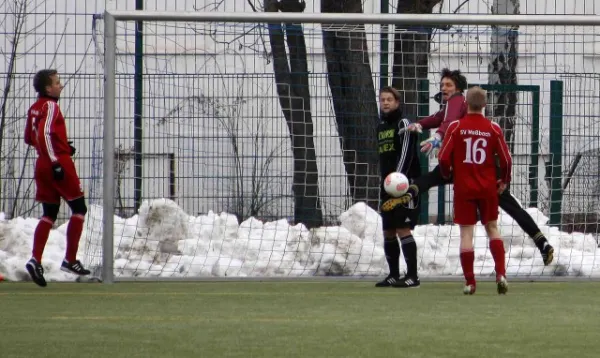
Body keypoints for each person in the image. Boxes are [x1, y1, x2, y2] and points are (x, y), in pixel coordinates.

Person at [381, 68, 555, 266]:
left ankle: (410, 191)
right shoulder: (458, 109)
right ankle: (542, 243)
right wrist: (419, 124)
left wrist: (438, 136)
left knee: (431, 181)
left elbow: (448, 121)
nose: (444, 88)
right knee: (510, 209)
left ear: (458, 89)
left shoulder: (456, 101)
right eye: (442, 85)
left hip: (463, 167)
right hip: (479, 170)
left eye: (448, 85)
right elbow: (439, 118)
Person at [438, 86, 512, 295]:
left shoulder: (456, 127)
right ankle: (501, 274)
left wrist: (447, 173)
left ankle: (470, 282)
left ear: (465, 104)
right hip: (488, 187)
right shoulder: (493, 128)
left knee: (466, 234)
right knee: (492, 228)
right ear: (485, 105)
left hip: (464, 188)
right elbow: (506, 159)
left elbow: (443, 157)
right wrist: (504, 180)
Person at [24, 69, 90, 287]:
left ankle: (35, 259)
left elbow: (29, 138)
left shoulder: (34, 108)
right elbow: (43, 134)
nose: (60, 86)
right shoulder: (51, 106)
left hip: (41, 163)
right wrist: (56, 159)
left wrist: (59, 147)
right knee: (79, 208)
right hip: (56, 163)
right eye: (57, 82)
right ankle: (70, 259)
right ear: (47, 88)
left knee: (49, 213)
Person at [375, 87, 421, 288]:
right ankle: (393, 274)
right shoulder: (380, 127)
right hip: (386, 185)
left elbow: (406, 153)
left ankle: (413, 276)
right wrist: (386, 182)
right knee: (388, 230)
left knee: (403, 228)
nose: (385, 103)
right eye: (382, 99)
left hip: (403, 185)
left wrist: (397, 180)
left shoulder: (403, 123)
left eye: (389, 100)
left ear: (397, 102)